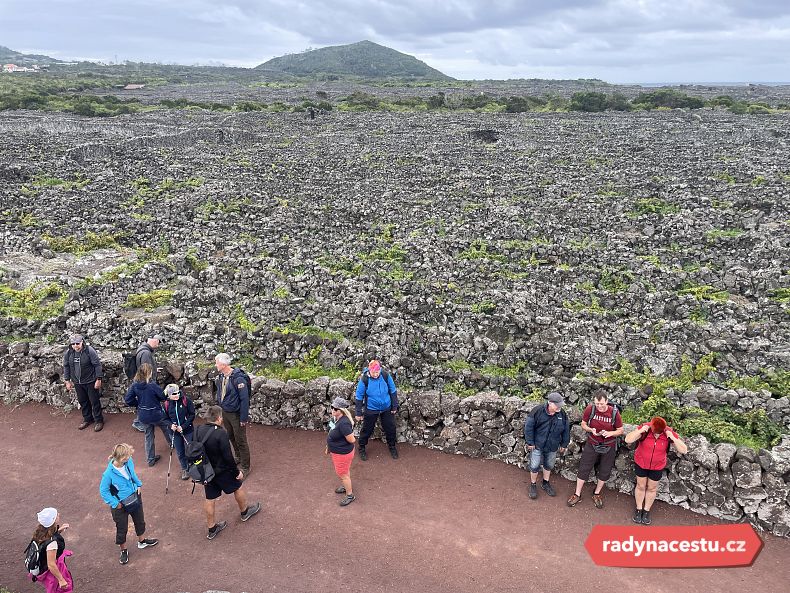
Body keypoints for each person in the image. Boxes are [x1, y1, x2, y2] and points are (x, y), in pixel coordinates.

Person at [198, 405, 261, 540]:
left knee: (210, 498)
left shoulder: (198, 430)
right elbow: (228, 457)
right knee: (238, 487)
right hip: (222, 471)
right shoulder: (220, 433)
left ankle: (212, 528)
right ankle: (245, 512)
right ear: (219, 418)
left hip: (207, 472)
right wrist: (236, 472)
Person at [99, 443, 159, 564]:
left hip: (134, 497)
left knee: (140, 520)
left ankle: (142, 541)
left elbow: (133, 474)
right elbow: (103, 491)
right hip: (120, 505)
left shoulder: (128, 461)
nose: (129, 458)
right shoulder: (108, 474)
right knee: (122, 528)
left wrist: (138, 484)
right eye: (126, 456)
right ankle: (124, 550)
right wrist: (115, 503)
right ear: (119, 458)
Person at [624, 416, 688, 525]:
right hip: (641, 463)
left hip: (657, 466)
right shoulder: (646, 428)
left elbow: (684, 450)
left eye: (659, 433)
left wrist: (672, 437)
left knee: (652, 488)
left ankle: (646, 511)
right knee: (640, 486)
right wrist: (640, 430)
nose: (657, 435)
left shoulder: (668, 432)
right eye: (655, 433)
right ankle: (639, 509)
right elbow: (628, 439)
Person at [567, 390, 624, 509]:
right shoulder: (591, 409)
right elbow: (583, 424)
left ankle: (597, 493)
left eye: (602, 404)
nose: (599, 407)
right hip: (592, 442)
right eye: (597, 404)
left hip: (609, 445)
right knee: (584, 467)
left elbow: (620, 430)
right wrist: (590, 430)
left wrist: (610, 433)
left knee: (605, 470)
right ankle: (577, 494)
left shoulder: (614, 413)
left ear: (607, 402)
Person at [124, 363, 172, 466]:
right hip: (156, 413)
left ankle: (150, 460)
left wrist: (138, 405)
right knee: (165, 427)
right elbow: (163, 397)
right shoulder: (152, 385)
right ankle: (172, 444)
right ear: (148, 373)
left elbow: (128, 399)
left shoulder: (135, 385)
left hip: (143, 415)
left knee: (148, 436)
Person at [523, 391, 570, 500]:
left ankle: (545, 483)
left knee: (549, 465)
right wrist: (530, 442)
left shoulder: (562, 414)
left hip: (552, 445)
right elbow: (528, 427)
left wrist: (564, 443)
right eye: (557, 405)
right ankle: (533, 485)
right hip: (537, 445)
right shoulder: (537, 411)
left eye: (560, 405)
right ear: (550, 403)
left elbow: (566, 429)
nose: (559, 407)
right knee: (534, 466)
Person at [214, 353, 251, 477]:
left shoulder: (238, 378)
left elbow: (245, 399)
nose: (215, 365)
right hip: (225, 412)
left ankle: (245, 467)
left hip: (236, 414)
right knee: (231, 436)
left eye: (217, 363)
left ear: (223, 364)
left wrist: (243, 418)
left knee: (241, 439)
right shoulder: (221, 376)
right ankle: (238, 457)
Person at [354, 359, 399, 460]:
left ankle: (392, 446)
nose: (376, 374)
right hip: (371, 408)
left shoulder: (385, 375)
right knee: (367, 429)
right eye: (373, 372)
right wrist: (358, 412)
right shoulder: (364, 379)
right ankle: (361, 447)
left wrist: (394, 406)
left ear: (380, 370)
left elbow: (393, 390)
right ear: (369, 370)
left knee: (390, 428)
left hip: (386, 407)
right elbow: (359, 396)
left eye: (377, 372)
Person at [63, 333, 104, 432]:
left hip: (90, 381)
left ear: (82, 342)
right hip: (78, 382)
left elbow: (97, 365)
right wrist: (67, 381)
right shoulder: (69, 353)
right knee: (83, 401)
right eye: (73, 344)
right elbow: (66, 366)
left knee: (94, 401)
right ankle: (87, 419)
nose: (75, 346)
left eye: (77, 343)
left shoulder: (89, 351)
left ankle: (99, 420)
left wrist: (98, 379)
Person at [29, 507, 73, 592]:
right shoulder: (52, 543)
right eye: (56, 515)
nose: (59, 515)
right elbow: (51, 564)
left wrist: (59, 531)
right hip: (51, 570)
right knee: (58, 589)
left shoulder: (40, 531)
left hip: (43, 563)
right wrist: (61, 580)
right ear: (53, 521)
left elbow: (46, 540)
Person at [326, 397, 357, 506]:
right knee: (345, 472)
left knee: (342, 474)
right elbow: (332, 432)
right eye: (332, 407)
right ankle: (346, 486)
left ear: (342, 410)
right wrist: (329, 446)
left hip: (342, 454)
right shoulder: (336, 418)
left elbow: (352, 440)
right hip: (338, 452)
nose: (333, 410)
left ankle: (350, 495)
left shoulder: (344, 423)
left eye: (336, 409)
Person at [131, 334, 162, 432]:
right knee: (145, 404)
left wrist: (155, 369)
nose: (159, 344)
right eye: (159, 342)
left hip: (143, 382)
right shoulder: (146, 353)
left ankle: (142, 421)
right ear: (154, 340)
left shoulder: (143, 349)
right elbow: (146, 370)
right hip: (146, 384)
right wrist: (151, 384)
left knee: (145, 404)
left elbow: (146, 367)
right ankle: (138, 423)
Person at [164, 383, 196, 480]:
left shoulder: (186, 400)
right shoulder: (166, 404)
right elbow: (164, 418)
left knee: (189, 450)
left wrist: (183, 426)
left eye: (178, 392)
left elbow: (192, 415)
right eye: (174, 394)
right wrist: (170, 425)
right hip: (174, 432)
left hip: (187, 430)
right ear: (169, 395)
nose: (177, 395)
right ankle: (184, 468)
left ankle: (192, 467)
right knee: (180, 452)